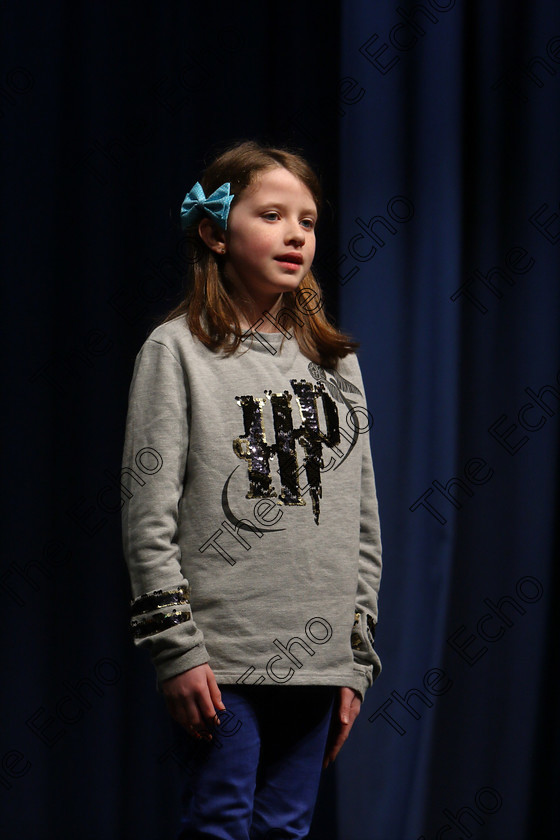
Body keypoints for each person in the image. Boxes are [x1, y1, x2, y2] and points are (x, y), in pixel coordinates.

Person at [120, 139, 383, 839]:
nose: (296, 234)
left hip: (319, 659)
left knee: (285, 831)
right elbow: (148, 516)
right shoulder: (175, 351)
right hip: (223, 659)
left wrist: (353, 663)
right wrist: (176, 648)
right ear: (213, 232)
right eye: (271, 215)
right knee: (220, 824)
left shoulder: (337, 362)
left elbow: (363, 521)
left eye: (308, 220)